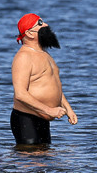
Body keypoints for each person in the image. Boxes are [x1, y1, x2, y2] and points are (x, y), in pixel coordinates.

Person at [10, 13, 77, 146]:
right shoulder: (24, 57)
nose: (46, 25)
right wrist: (49, 110)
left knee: (45, 160)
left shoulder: (45, 54)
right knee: (30, 162)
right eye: (40, 24)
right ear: (29, 33)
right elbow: (20, 94)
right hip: (26, 118)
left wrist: (68, 108)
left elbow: (54, 86)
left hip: (42, 118)